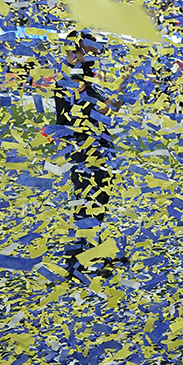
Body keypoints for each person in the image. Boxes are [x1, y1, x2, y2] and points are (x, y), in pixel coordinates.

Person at [52, 30, 121, 278]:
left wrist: (115, 102)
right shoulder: (70, 79)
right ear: (74, 52)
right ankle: (79, 265)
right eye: (87, 51)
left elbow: (102, 112)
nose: (92, 56)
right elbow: (80, 116)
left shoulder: (86, 78)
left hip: (98, 148)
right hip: (84, 150)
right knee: (87, 204)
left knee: (97, 203)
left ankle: (92, 256)